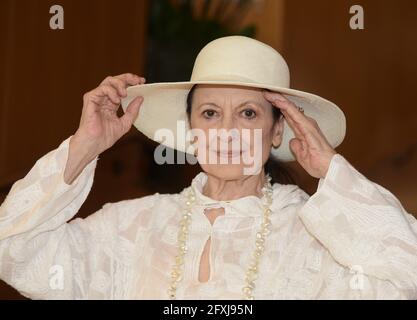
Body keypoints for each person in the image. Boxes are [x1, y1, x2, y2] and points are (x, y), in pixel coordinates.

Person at [0, 36, 416, 300]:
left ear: (277, 131)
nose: (228, 132)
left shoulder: (317, 237)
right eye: (211, 113)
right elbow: (12, 250)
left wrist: (331, 170)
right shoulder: (131, 227)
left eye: (249, 113)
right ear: (192, 128)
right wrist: (84, 146)